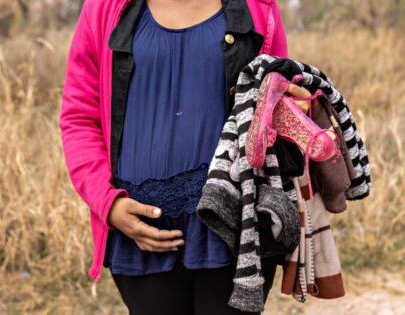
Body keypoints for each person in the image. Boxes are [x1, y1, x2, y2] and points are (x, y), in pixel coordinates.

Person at [59, 0, 311, 314]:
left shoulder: (258, 9)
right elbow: (79, 117)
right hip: (141, 229)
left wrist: (294, 106)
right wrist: (108, 204)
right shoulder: (104, 8)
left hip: (237, 220)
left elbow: (276, 100)